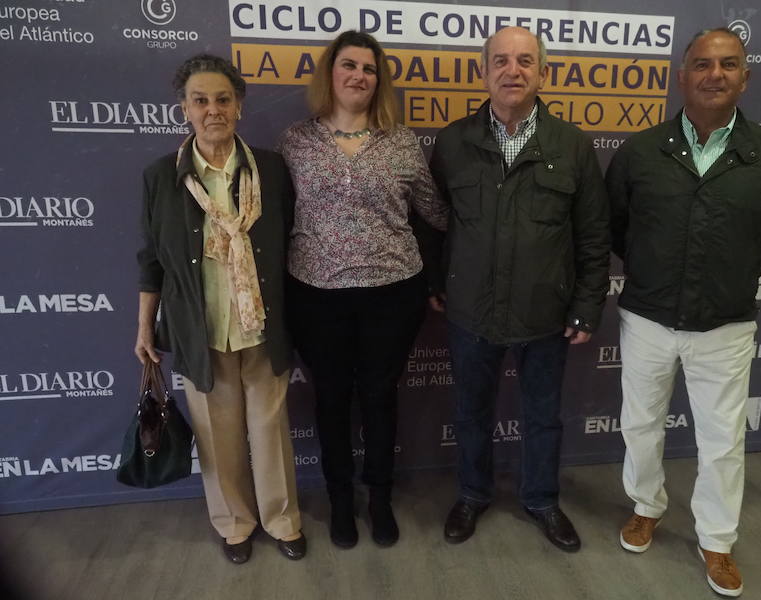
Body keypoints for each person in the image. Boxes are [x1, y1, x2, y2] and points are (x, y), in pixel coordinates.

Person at [606, 28, 761, 596]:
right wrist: (653, 268)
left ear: (746, 76)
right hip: (646, 315)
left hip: (726, 323)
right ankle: (646, 506)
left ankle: (716, 541)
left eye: (728, 64)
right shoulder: (642, 151)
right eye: (702, 64)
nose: (714, 74)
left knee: (721, 440)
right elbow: (616, 226)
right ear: (682, 75)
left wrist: (734, 272)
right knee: (641, 425)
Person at [429, 26, 610, 553]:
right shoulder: (453, 141)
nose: (513, 71)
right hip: (471, 313)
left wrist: (586, 305)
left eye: (525, 61)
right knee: (470, 413)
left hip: (545, 314)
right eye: (502, 61)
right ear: (484, 72)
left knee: (542, 417)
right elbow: (435, 222)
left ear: (542, 73)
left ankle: (542, 500)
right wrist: (441, 283)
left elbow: (594, 236)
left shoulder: (572, 145)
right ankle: (472, 494)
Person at [278, 30, 447, 549]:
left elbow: (435, 215)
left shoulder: (402, 142)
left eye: (369, 69)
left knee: (378, 397)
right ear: (330, 73)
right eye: (348, 65)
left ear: (379, 81)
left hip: (392, 294)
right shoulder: (295, 141)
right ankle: (340, 500)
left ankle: (378, 496)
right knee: (330, 399)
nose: (358, 76)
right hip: (316, 295)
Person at [135, 54, 305, 565]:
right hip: (198, 331)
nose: (213, 110)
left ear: (240, 106)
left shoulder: (270, 169)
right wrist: (144, 324)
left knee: (270, 431)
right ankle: (234, 524)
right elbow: (151, 258)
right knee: (216, 435)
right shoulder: (161, 176)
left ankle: (282, 519)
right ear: (184, 109)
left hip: (262, 327)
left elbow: (295, 244)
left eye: (223, 99)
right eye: (201, 100)